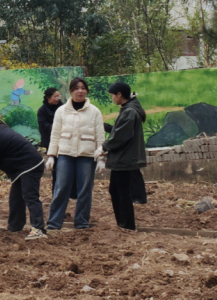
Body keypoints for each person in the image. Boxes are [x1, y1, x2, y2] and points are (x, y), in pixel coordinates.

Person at [46, 77, 106, 232]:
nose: (80, 91)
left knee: (85, 189)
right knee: (61, 188)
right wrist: (51, 155)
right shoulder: (61, 111)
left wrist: (101, 158)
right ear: (71, 91)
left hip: (87, 156)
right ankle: (53, 223)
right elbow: (55, 135)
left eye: (83, 88)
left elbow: (100, 136)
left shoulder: (94, 112)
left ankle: (81, 223)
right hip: (65, 154)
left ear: (86, 90)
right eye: (76, 88)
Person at [102, 82, 147, 230]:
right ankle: (123, 223)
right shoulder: (128, 109)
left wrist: (104, 146)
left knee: (122, 191)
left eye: (112, 95)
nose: (112, 98)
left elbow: (121, 136)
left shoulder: (129, 112)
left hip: (124, 158)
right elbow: (119, 130)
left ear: (119, 94)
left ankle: (127, 225)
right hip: (123, 158)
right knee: (116, 190)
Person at [37, 88, 63, 195]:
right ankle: (56, 196)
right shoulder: (42, 111)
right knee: (56, 172)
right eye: (55, 96)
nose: (58, 98)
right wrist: (58, 127)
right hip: (51, 143)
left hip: (65, 142)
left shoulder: (63, 108)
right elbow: (43, 126)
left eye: (59, 96)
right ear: (48, 98)